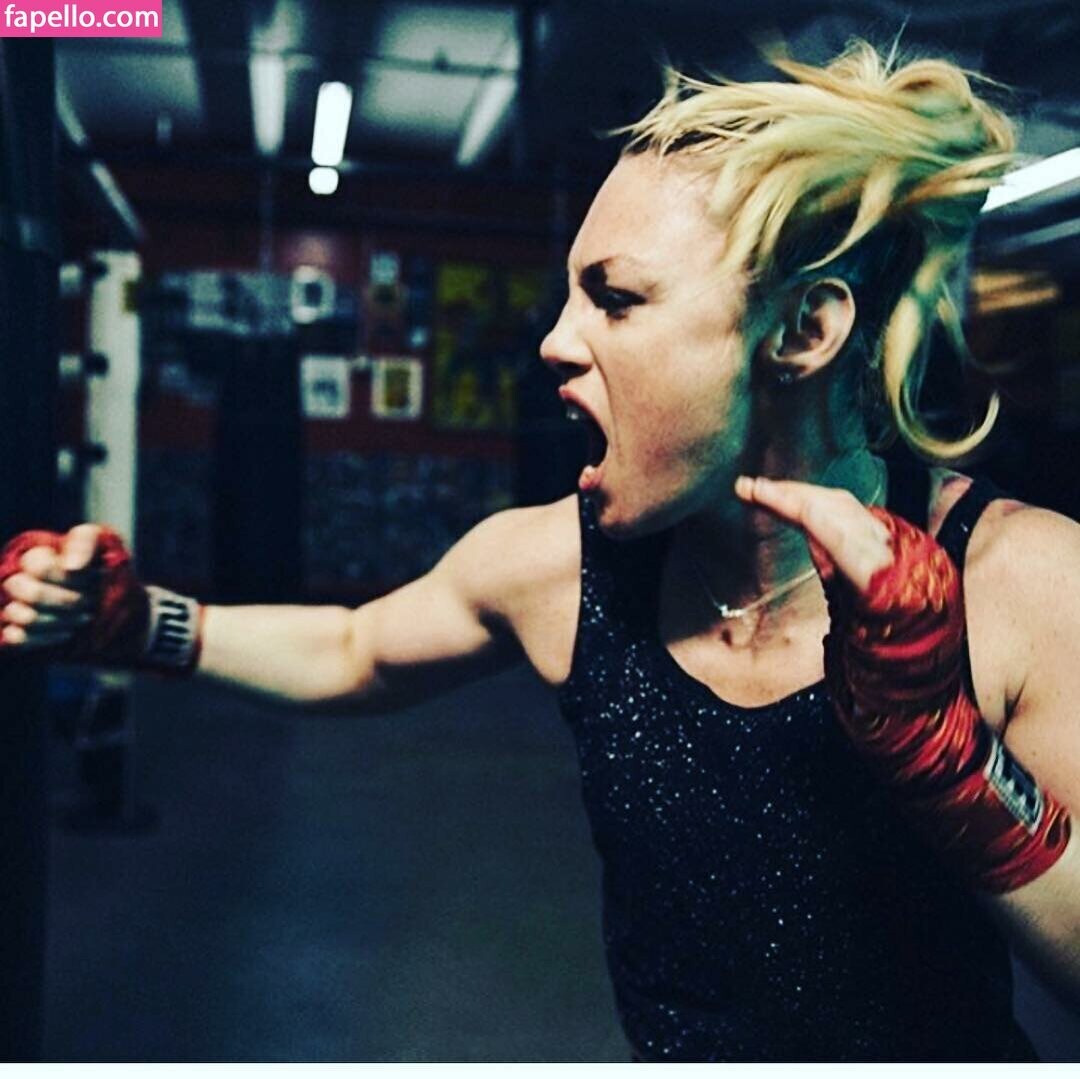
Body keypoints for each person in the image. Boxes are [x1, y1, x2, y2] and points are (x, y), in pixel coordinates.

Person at [3, 40, 1079, 1062]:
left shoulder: (1018, 582)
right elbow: (353, 648)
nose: (556, 341)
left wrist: (955, 765)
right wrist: (139, 624)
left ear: (800, 332)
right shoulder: (559, 570)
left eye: (616, 298)